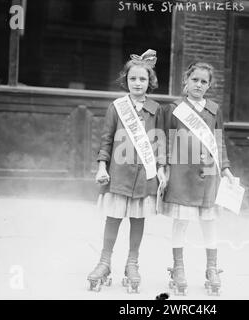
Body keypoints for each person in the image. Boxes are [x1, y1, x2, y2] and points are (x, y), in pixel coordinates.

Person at [87, 49, 166, 293]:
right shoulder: (117, 107)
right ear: (126, 80)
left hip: (144, 175)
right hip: (119, 173)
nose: (138, 83)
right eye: (133, 79)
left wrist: (162, 168)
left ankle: (132, 263)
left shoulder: (156, 109)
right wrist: (102, 166)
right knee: (113, 218)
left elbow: (160, 141)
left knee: (138, 219)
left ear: (149, 81)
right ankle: (104, 261)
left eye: (142, 79)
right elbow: (106, 139)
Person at [162, 62, 235, 295]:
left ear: (209, 85)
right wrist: (163, 167)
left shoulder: (214, 109)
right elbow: (164, 139)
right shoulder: (174, 108)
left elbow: (219, 140)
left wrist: (225, 168)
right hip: (182, 172)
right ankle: (178, 267)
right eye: (195, 80)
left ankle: (212, 268)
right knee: (181, 221)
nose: (199, 85)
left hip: (208, 172)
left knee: (209, 221)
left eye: (204, 82)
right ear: (186, 80)